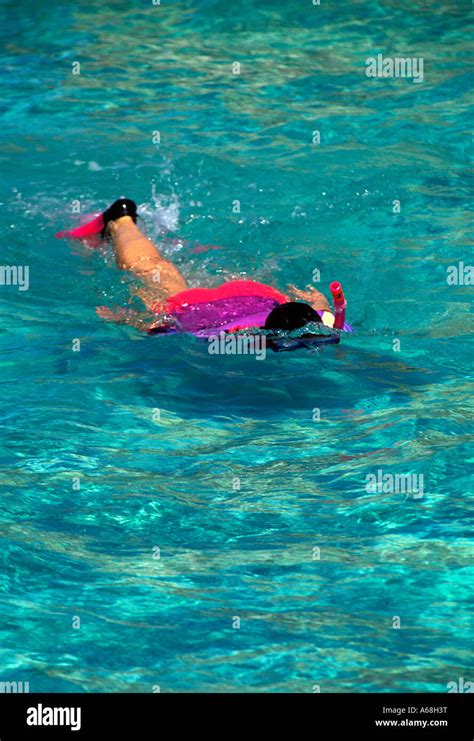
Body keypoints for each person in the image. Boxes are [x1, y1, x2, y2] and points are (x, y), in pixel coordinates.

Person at [83, 198, 335, 336]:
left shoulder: (323, 322)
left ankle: (121, 219)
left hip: (254, 292)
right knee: (151, 273)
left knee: (155, 269)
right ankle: (118, 221)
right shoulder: (234, 337)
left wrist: (318, 302)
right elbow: (161, 326)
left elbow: (322, 312)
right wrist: (126, 319)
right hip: (194, 308)